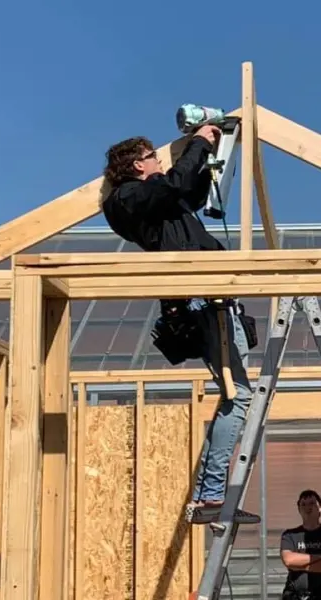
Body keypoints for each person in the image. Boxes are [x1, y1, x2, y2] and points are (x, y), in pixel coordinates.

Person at [100, 129, 259, 525]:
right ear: (138, 165)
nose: (159, 161)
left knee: (238, 396)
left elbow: (188, 193)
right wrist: (200, 143)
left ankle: (210, 494)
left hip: (210, 300)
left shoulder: (159, 205)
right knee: (239, 397)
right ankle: (209, 496)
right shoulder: (128, 197)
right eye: (153, 156)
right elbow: (175, 186)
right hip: (200, 301)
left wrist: (205, 165)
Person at [280, 490, 321, 600]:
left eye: (312, 503)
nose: (307, 507)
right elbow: (289, 560)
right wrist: (319, 557)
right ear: (299, 509)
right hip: (295, 595)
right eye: (303, 504)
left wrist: (299, 566)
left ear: (320, 508)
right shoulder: (290, 535)